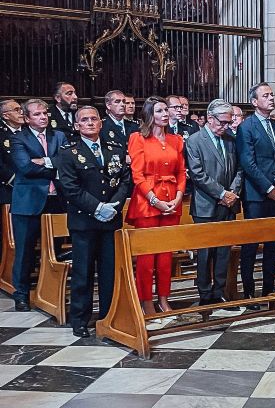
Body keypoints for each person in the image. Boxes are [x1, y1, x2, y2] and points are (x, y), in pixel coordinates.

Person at [56, 106, 131, 337]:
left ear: (101, 122)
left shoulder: (115, 149)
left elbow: (125, 181)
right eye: (84, 120)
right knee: (83, 272)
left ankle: (108, 316)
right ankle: (80, 319)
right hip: (84, 222)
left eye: (93, 119)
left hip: (111, 220)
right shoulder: (68, 152)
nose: (89, 123)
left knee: (109, 271)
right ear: (77, 125)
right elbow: (70, 188)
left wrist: (113, 207)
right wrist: (98, 208)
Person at [126, 96, 187, 317]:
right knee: (147, 256)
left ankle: (164, 298)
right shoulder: (138, 138)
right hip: (147, 202)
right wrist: (155, 200)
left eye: (166, 111)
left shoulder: (176, 140)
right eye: (160, 111)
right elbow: (137, 175)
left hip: (172, 199)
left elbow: (181, 172)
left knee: (165, 255)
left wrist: (178, 197)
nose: (165, 114)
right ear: (150, 115)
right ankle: (146, 299)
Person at [237, 83, 275, 306]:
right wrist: (268, 189)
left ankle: (269, 291)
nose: (271, 98)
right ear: (254, 101)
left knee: (272, 245)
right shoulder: (246, 127)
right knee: (251, 245)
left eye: (271, 95)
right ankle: (249, 292)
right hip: (256, 195)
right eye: (265, 96)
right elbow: (248, 163)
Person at [10, 99, 67, 311]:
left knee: (54, 250)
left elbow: (66, 161)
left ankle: (50, 291)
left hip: (56, 201)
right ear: (26, 119)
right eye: (37, 114)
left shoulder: (59, 136)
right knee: (25, 251)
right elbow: (25, 168)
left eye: (45, 113)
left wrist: (44, 161)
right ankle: (21, 294)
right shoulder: (18, 139)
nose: (43, 117)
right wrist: (53, 163)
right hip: (29, 202)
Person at [186, 99, 242, 308]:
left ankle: (219, 291)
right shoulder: (195, 141)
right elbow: (197, 174)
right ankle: (204, 292)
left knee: (223, 250)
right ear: (210, 118)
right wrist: (221, 193)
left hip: (228, 203)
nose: (226, 126)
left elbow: (239, 169)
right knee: (205, 252)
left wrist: (233, 192)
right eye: (222, 122)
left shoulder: (231, 139)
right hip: (205, 204)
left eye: (229, 122)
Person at [0, 100, 23, 204]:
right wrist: (15, 180)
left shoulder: (30, 131)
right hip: (9, 186)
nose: (21, 112)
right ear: (6, 116)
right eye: (16, 110)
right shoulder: (2, 135)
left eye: (21, 109)